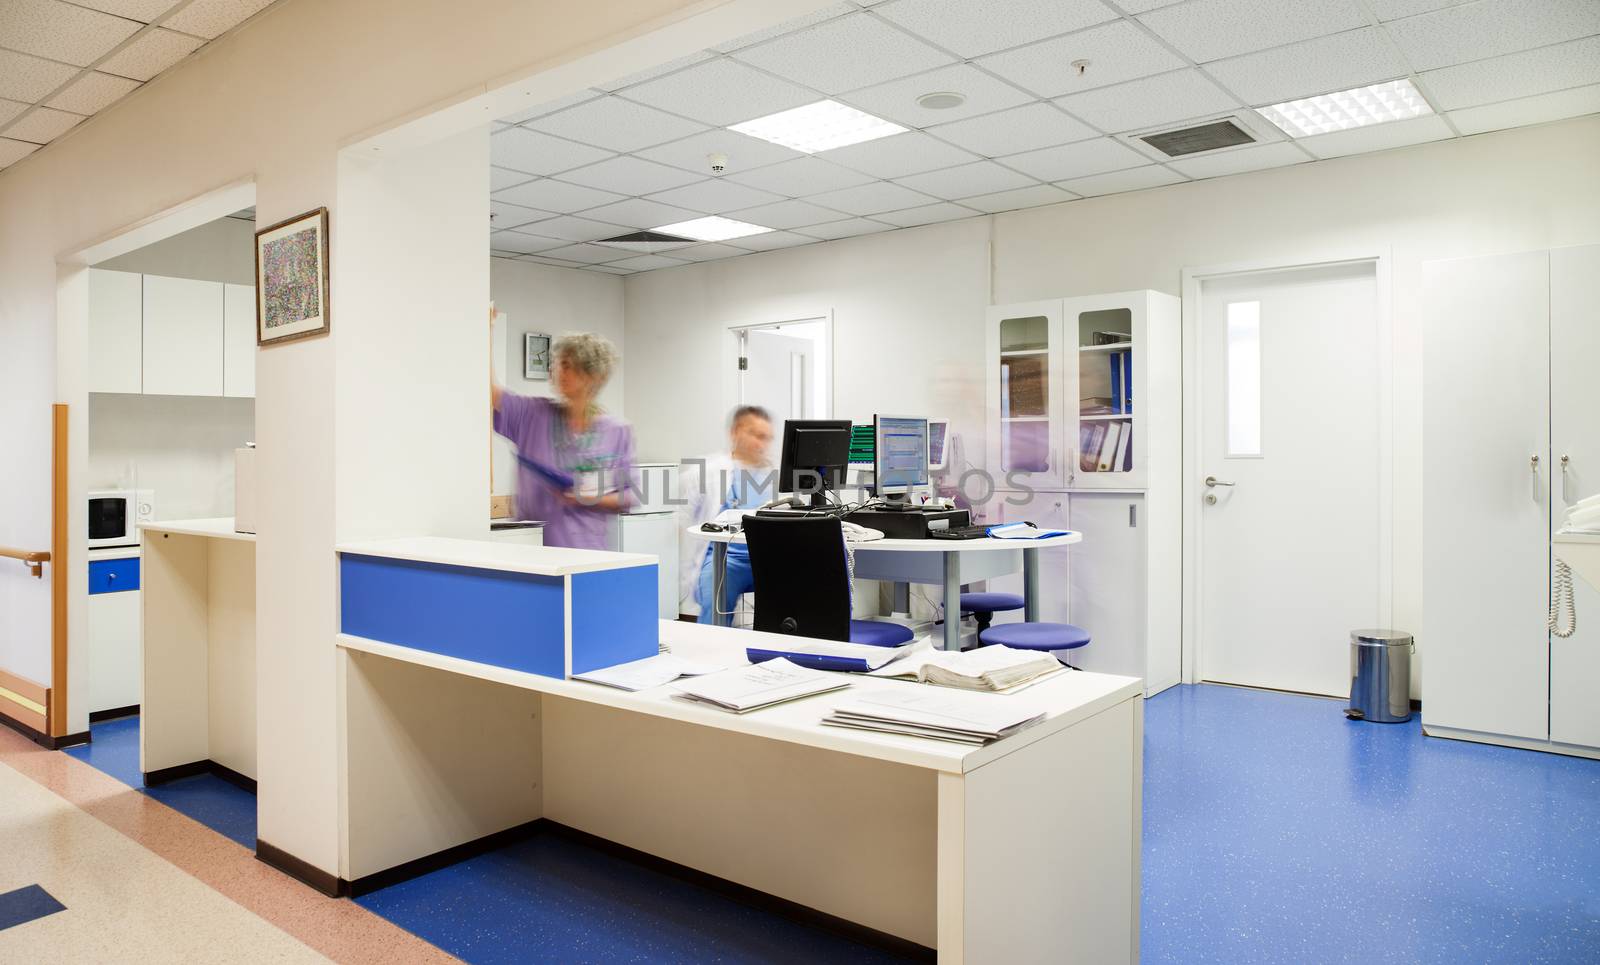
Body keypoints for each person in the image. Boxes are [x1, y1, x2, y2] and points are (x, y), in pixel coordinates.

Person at [492, 323, 633, 551]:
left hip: (588, 555)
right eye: (558, 363)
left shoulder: (616, 431)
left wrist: (585, 497)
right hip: (532, 552)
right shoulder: (531, 415)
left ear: (591, 375)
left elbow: (628, 497)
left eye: (567, 365)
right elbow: (489, 391)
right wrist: (484, 327)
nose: (557, 370)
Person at [678, 406, 775, 623]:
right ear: (735, 432)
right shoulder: (705, 472)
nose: (762, 444)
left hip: (767, 558)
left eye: (766, 438)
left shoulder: (773, 475)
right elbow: (680, 521)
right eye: (756, 435)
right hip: (725, 559)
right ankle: (710, 649)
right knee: (717, 590)